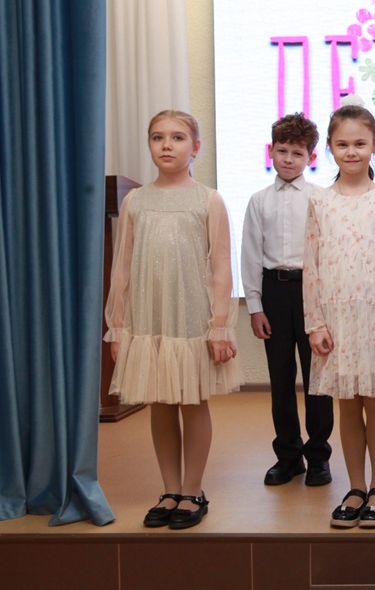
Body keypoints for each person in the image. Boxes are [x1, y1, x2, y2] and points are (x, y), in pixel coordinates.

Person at [105, 109, 241, 529]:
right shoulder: (135, 201)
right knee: (160, 403)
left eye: (178, 137)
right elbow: (122, 267)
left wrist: (220, 325)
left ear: (195, 147)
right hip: (149, 320)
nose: (167, 145)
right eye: (158, 137)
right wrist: (117, 325)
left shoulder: (208, 200)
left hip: (192, 320)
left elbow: (221, 266)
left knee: (192, 401)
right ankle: (169, 488)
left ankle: (193, 489)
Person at [304, 97, 375, 529]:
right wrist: (315, 323)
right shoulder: (319, 202)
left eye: (360, 144)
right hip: (337, 320)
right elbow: (311, 265)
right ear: (329, 147)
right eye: (342, 144)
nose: (351, 152)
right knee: (347, 406)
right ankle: (356, 487)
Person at [242, 113, 334, 487]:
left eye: (297, 153)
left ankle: (319, 456)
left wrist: (326, 307)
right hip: (275, 291)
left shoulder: (321, 199)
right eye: (282, 151)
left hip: (312, 293)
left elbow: (328, 254)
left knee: (317, 379)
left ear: (310, 157)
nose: (289, 159)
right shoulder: (258, 201)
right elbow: (250, 254)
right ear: (271, 151)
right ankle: (288, 456)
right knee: (280, 378)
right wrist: (255, 306)